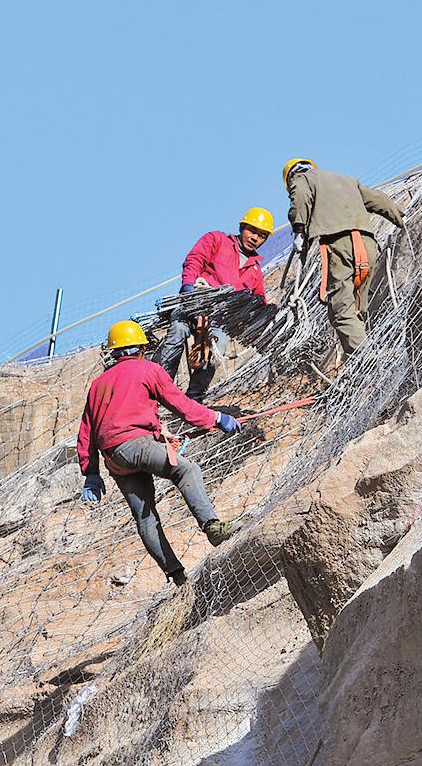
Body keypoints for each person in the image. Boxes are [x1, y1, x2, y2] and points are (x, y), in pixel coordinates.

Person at [79, 320, 243, 585]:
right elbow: (184, 407)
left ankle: (177, 576)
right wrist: (216, 418)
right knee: (186, 470)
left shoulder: (98, 384)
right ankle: (213, 528)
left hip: (114, 459)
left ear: (114, 352)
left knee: (145, 514)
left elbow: (86, 433)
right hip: (136, 444)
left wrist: (91, 473)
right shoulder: (148, 370)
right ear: (141, 348)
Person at [283, 159, 405, 356]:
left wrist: (299, 228)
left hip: (340, 245)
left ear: (290, 178)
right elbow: (378, 200)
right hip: (367, 244)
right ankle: (373, 348)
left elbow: (301, 198)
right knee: (360, 305)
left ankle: (365, 361)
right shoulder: (346, 180)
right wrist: (400, 218)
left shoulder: (301, 179)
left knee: (341, 308)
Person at [167, 207, 273, 397]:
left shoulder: (255, 270)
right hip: (195, 302)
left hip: (220, 319)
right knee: (178, 332)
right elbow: (195, 259)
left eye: (262, 235)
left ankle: (194, 398)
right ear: (242, 227)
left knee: (218, 347)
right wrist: (188, 285)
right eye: (252, 231)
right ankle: (159, 387)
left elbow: (259, 301)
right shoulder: (217, 240)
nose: (255, 238)